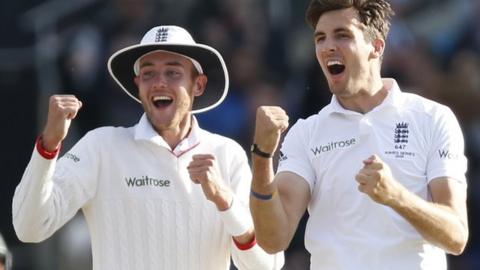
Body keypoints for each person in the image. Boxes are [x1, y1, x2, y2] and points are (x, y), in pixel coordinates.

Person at [12, 25, 284, 270]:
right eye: (149, 73)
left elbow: (266, 265)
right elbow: (29, 228)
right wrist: (48, 146)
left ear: (198, 85)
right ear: (138, 84)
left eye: (173, 72)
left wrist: (225, 201)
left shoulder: (227, 154)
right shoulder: (101, 147)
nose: (159, 82)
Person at [249, 1, 469, 269]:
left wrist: (396, 196)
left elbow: (456, 235)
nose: (327, 46)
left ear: (376, 46)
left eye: (342, 35)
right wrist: (262, 157)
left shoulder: (432, 118)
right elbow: (273, 238)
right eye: (320, 38)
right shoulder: (306, 133)